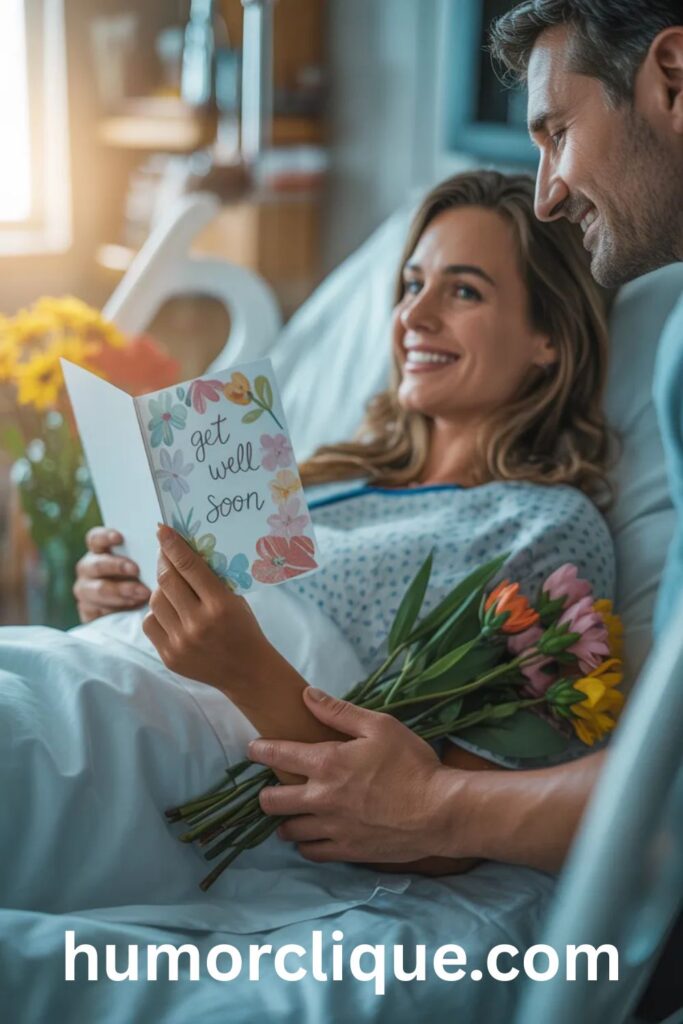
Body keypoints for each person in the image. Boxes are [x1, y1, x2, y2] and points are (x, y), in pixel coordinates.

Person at [72, 169, 615, 880]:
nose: (413, 318)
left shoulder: (541, 525)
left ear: (548, 335)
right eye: (411, 285)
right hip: (105, 675)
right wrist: (125, 598)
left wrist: (244, 669)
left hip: (174, 752)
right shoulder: (325, 474)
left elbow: (444, 827)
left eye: (463, 290)